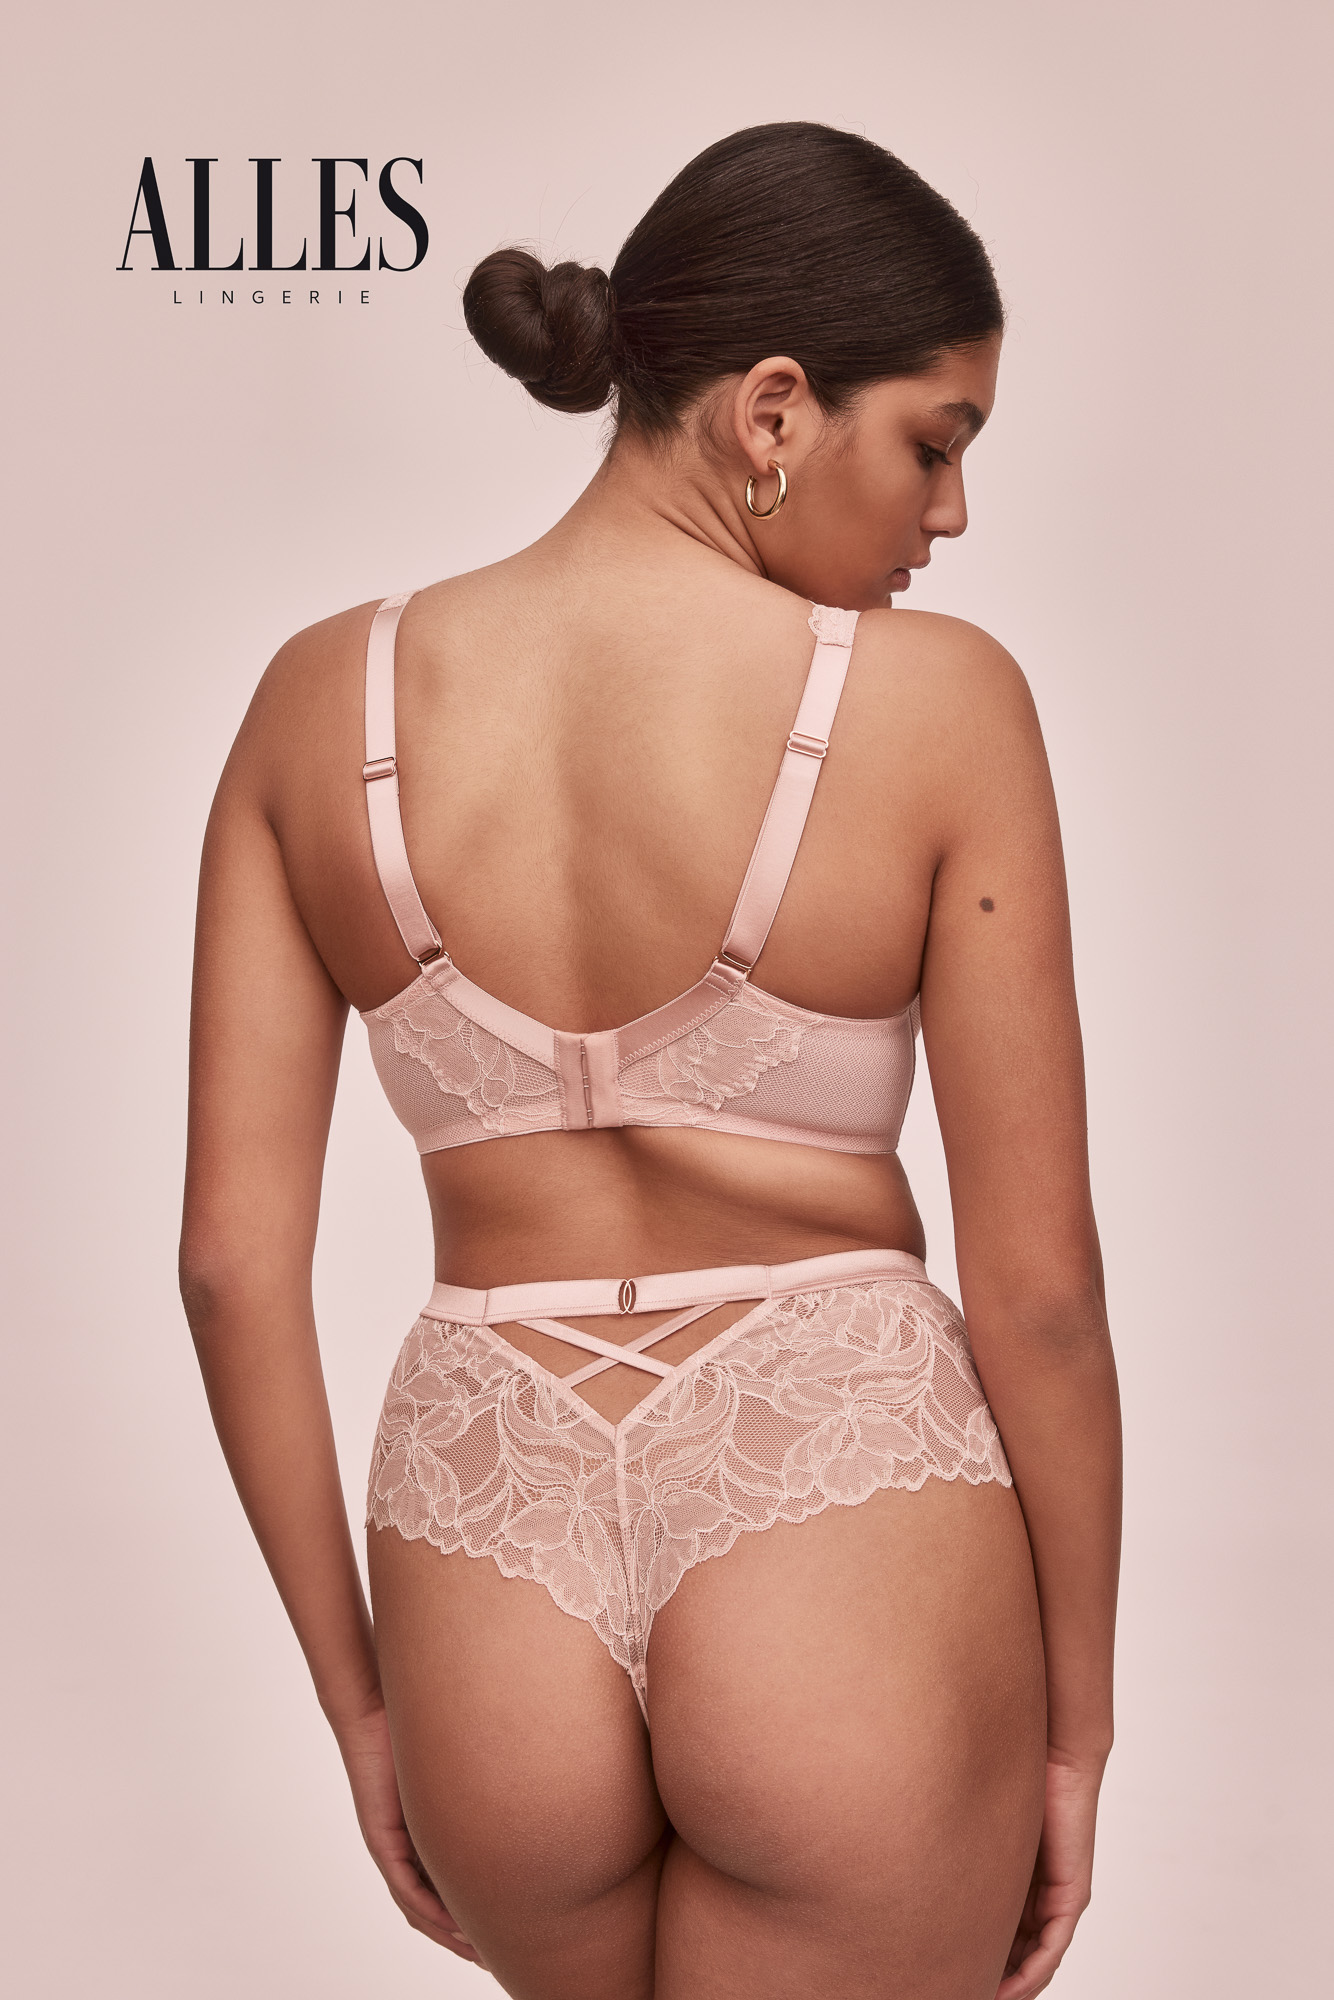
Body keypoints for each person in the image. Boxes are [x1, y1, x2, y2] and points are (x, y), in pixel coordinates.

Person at [181, 121, 1121, 2000]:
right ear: (772, 410)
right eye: (932, 444)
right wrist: (1073, 1736)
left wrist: (362, 1710)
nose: (948, 517)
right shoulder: (939, 706)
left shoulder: (315, 702)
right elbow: (1037, 1297)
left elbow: (225, 1270)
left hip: (482, 1533)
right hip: (838, 1506)